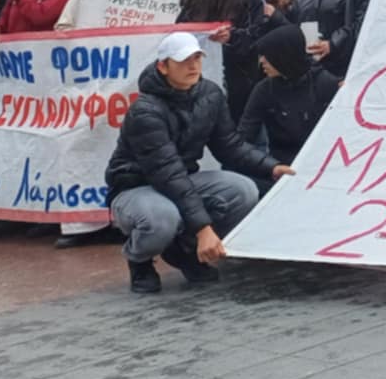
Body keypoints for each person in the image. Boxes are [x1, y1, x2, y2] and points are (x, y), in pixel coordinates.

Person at [104, 32, 292, 293]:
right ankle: (139, 260)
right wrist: (204, 229)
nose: (193, 66)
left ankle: (186, 251)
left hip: (182, 179)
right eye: (183, 61)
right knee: (162, 218)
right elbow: (167, 172)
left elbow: (230, 146)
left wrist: (270, 167)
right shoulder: (144, 111)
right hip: (135, 187)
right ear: (163, 66)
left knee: (243, 190)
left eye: (196, 58)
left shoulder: (210, 94)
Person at [237, 22, 338, 185]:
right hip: (280, 169)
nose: (262, 61)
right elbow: (243, 137)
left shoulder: (327, 84)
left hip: (323, 167)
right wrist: (267, 166)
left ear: (284, 56)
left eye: (267, 56)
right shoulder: (264, 89)